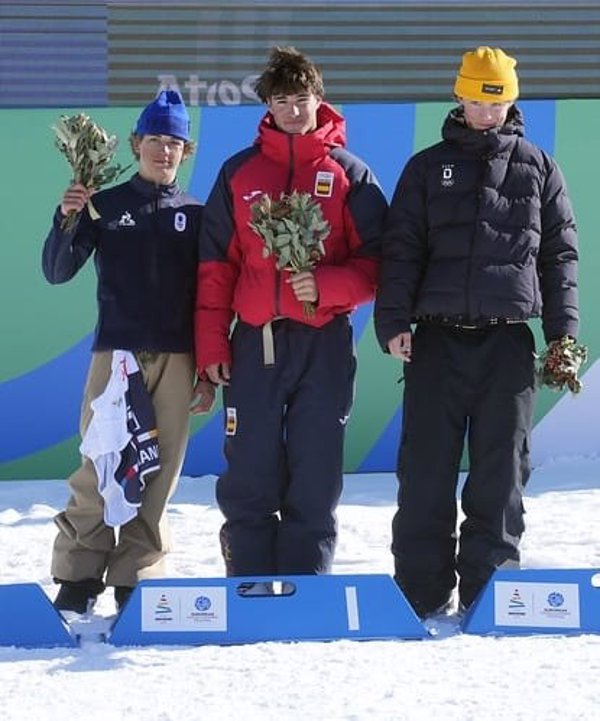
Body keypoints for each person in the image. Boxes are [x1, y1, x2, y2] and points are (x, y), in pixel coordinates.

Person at [374, 47, 579, 618]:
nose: (487, 113)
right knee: (424, 472)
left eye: (498, 102)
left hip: (508, 342)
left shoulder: (539, 168)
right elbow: (401, 252)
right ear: (459, 96)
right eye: (477, 101)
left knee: (501, 472)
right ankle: (418, 591)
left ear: (512, 101)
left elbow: (560, 256)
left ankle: (490, 594)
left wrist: (563, 335)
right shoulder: (424, 167)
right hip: (436, 341)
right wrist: (393, 323)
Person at [195, 47, 387, 579]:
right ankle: (250, 576)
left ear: (318, 99)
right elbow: (215, 266)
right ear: (267, 107)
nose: (293, 112)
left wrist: (325, 284)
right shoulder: (239, 172)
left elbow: (379, 262)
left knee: (316, 464)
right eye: (282, 102)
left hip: (323, 340)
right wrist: (212, 345)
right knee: (250, 465)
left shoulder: (348, 173)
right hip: (254, 341)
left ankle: (307, 582)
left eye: (301, 100)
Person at [42, 90, 215, 614]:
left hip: (179, 359)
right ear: (138, 143)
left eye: (175, 142)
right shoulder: (105, 204)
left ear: (186, 152)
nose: (164, 150)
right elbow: (57, 270)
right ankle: (78, 574)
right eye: (156, 140)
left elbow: (211, 297)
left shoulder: (198, 214)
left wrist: (207, 371)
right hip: (116, 356)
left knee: (158, 470)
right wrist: (66, 217)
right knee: (99, 461)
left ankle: (136, 574)